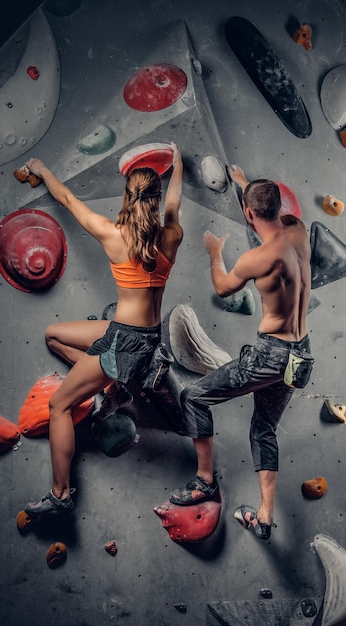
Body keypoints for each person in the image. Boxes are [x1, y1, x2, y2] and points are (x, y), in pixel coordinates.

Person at [23, 142, 184, 516]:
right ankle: (111, 387)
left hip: (122, 344)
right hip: (140, 339)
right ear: (156, 200)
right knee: (54, 334)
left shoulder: (113, 234)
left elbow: (67, 199)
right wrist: (178, 166)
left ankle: (60, 495)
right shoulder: (171, 237)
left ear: (127, 196)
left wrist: (42, 168)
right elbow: (175, 201)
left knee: (58, 405)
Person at [170, 164, 313, 540]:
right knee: (263, 426)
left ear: (249, 214)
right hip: (301, 355)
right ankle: (264, 516)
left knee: (194, 396)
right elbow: (270, 211)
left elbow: (222, 287)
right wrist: (246, 185)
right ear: (279, 208)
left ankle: (204, 480)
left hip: (271, 355)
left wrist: (215, 252)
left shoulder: (257, 259)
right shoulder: (298, 230)